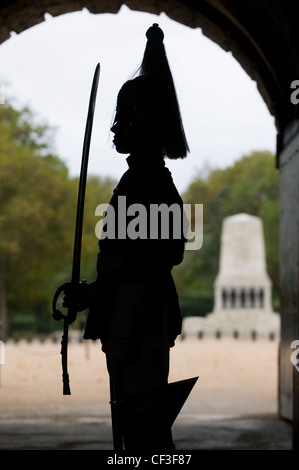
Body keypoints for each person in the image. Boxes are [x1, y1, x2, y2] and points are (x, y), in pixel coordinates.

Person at [64, 23, 189, 451]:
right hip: (136, 319)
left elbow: (146, 268)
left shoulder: (145, 184)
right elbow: (127, 264)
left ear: (146, 124)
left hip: (138, 323)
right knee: (138, 433)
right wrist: (92, 294)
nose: (116, 129)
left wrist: (120, 329)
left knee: (142, 441)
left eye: (125, 118)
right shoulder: (142, 180)